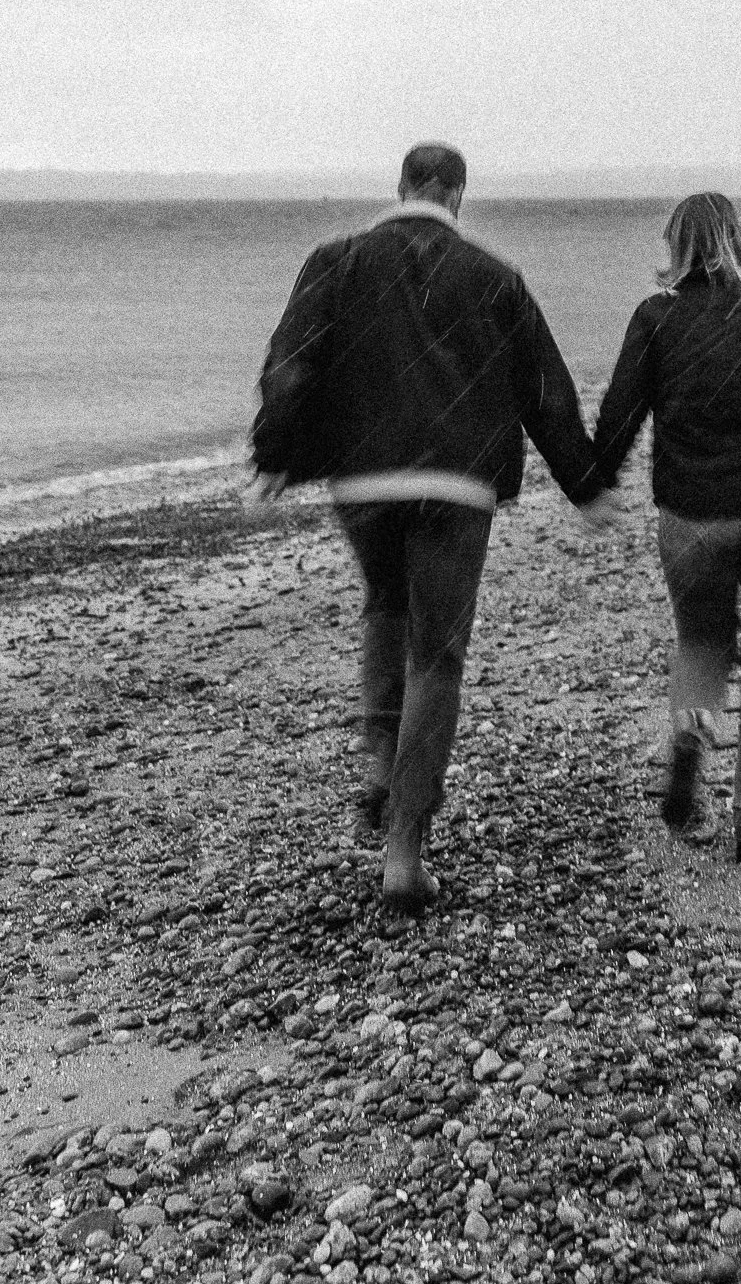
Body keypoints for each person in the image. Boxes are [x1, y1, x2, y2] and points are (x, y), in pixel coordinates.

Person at [250, 143, 609, 914]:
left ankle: (381, 754)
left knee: (385, 598)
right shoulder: (494, 276)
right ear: (456, 197)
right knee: (438, 655)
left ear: (402, 185)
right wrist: (584, 483)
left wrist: (273, 456)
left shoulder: (336, 261)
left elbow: (290, 364)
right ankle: (404, 852)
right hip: (456, 482)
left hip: (365, 479)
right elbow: (544, 387)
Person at [593, 192, 741, 862]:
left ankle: (695, 726)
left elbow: (620, 413)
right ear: (739, 239)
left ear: (675, 249)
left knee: (702, 638)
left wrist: (595, 483)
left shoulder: (656, 319)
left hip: (694, 515)